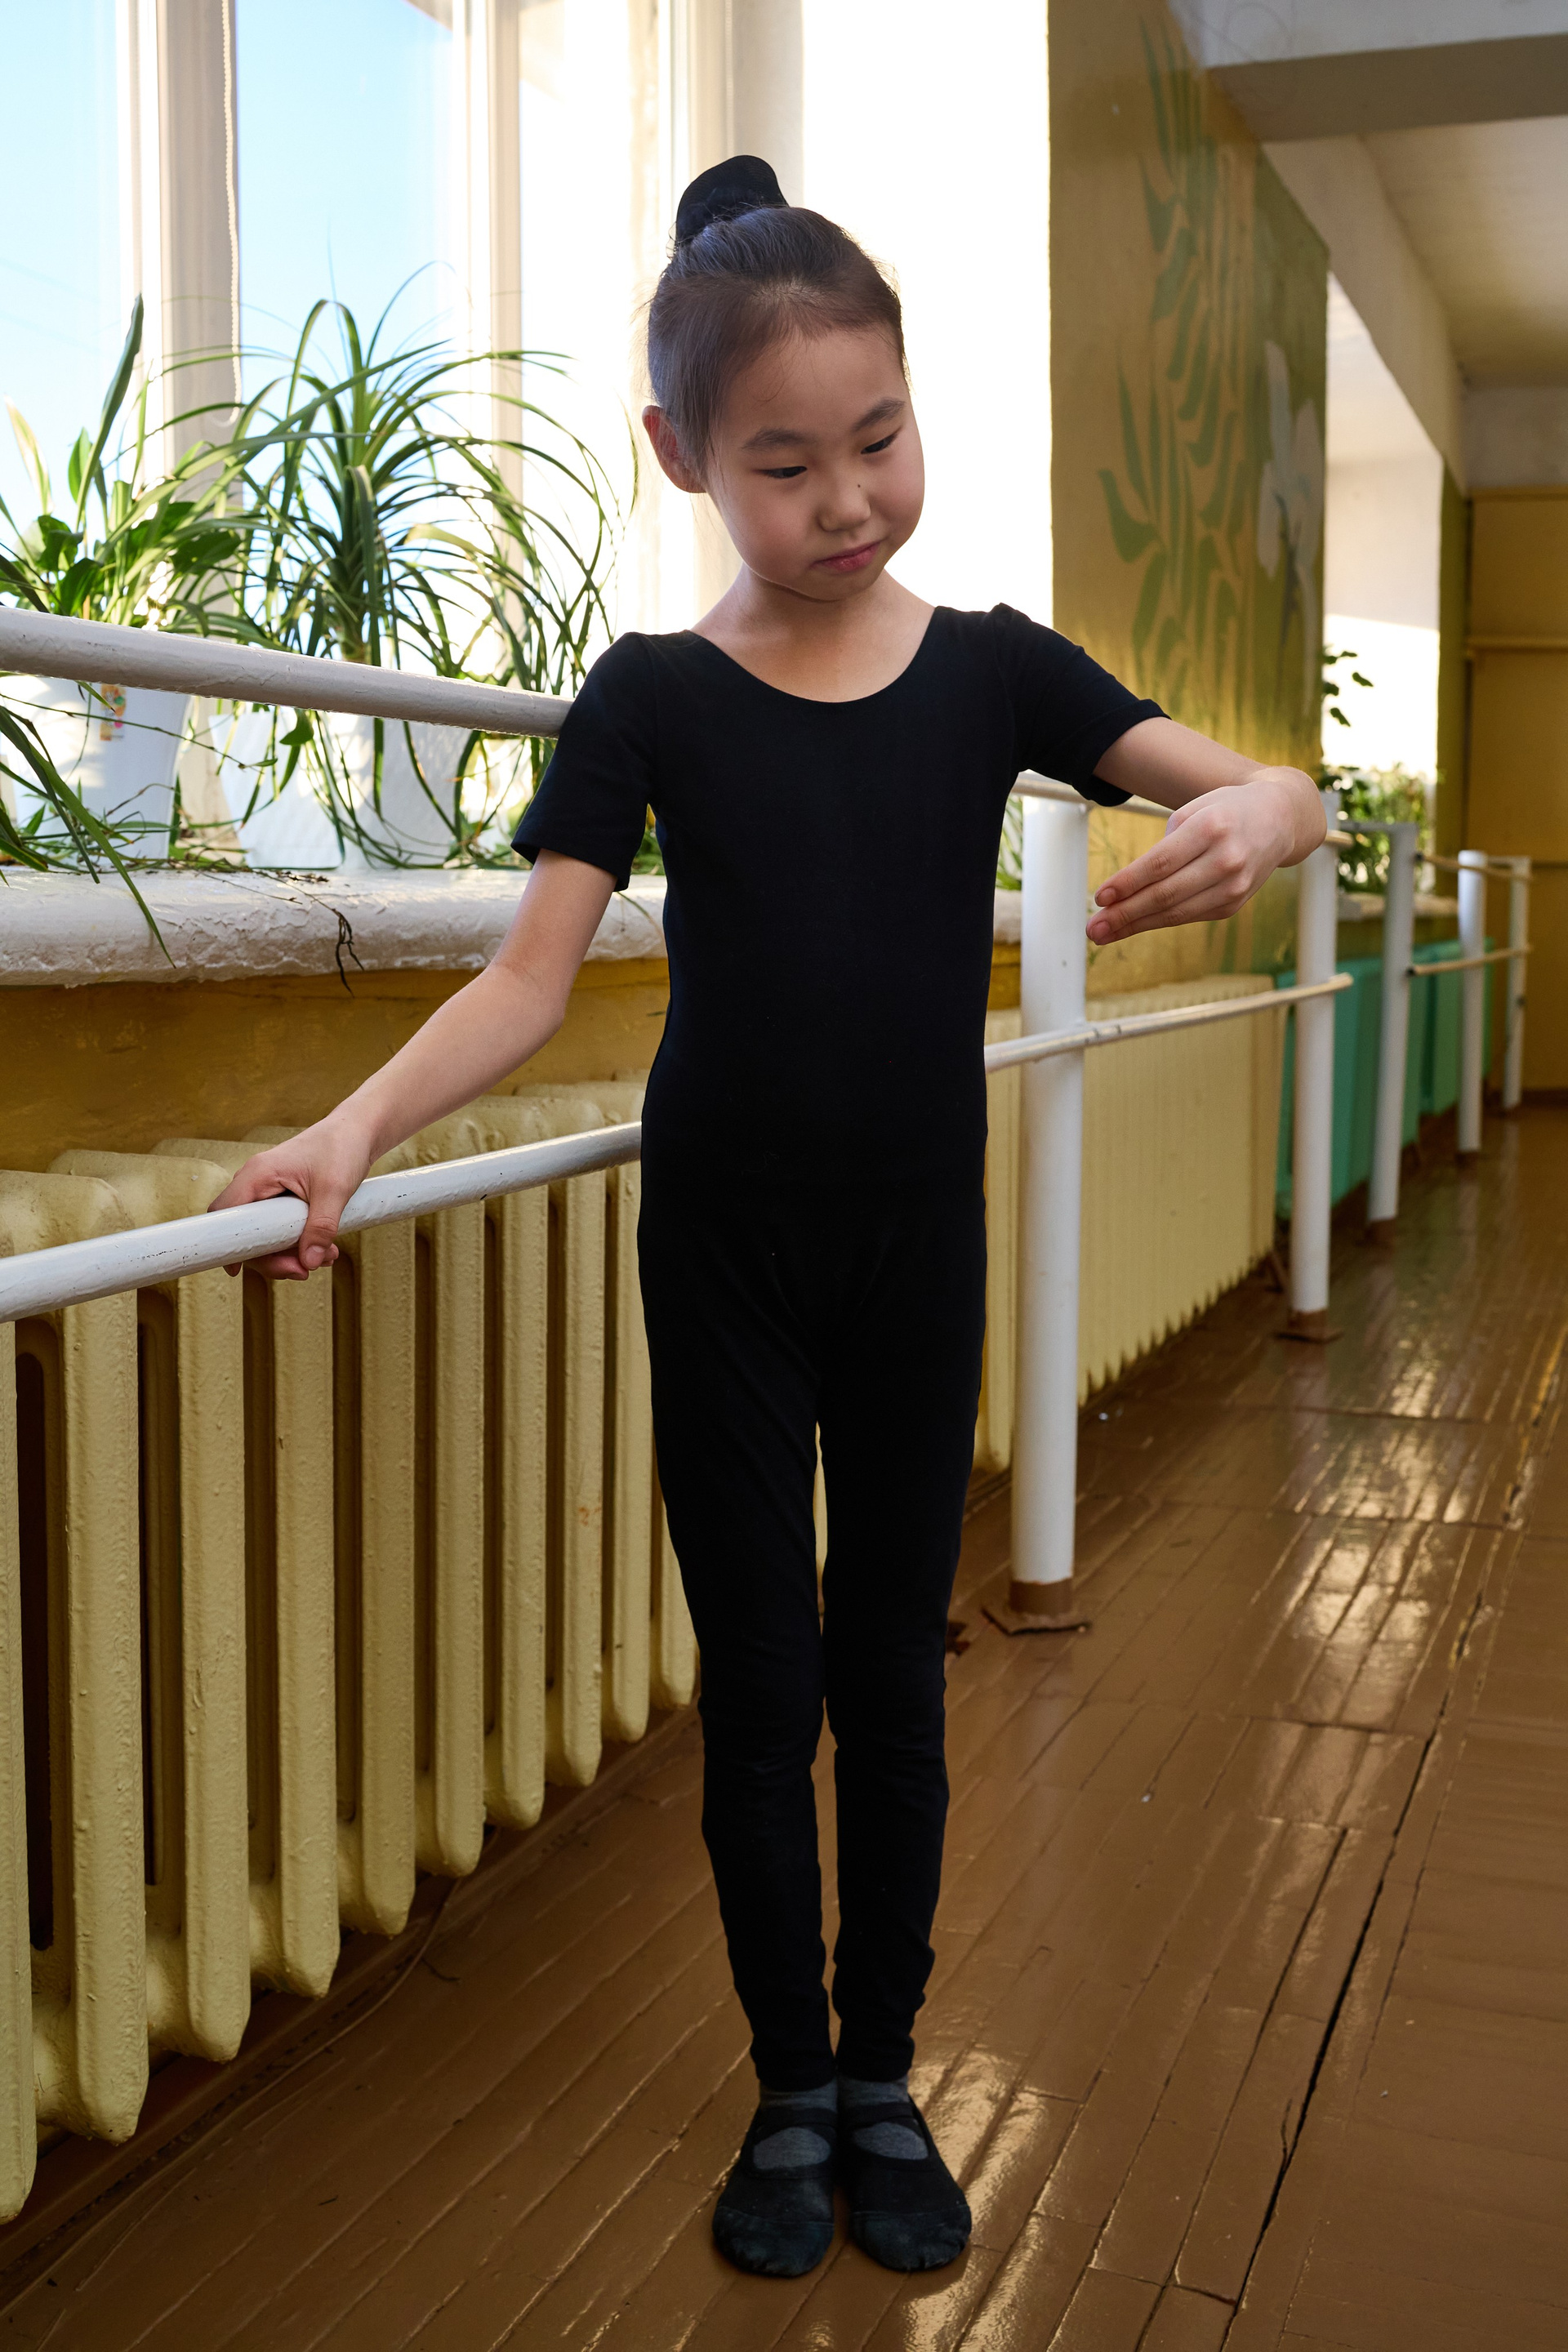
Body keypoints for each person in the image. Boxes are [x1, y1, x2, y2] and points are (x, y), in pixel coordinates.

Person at [214, 155, 1325, 2281]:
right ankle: (788, 2084)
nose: (848, 500)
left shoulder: (994, 672)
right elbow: (529, 978)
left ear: (914, 405)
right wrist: (348, 1131)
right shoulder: (650, 694)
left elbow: (1247, 781)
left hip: (915, 1249)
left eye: (880, 440)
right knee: (760, 1684)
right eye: (787, 463)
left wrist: (1270, 807)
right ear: (683, 456)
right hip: (720, 1253)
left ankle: (886, 2071)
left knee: (893, 1672)